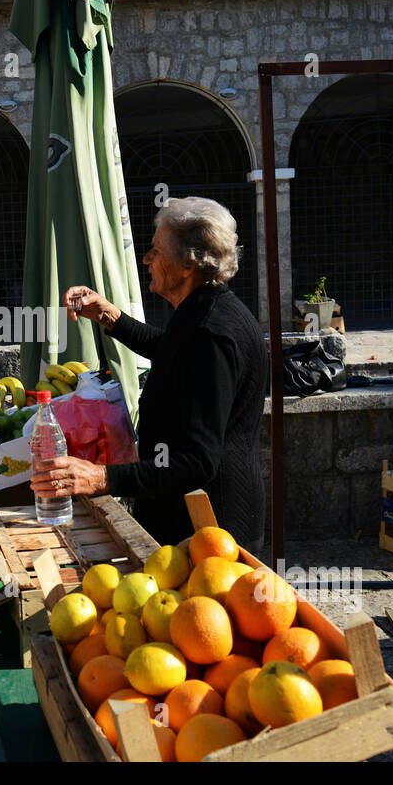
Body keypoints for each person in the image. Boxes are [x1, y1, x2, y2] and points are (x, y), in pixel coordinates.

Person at [28, 197, 268, 554]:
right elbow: (172, 350)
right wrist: (108, 315)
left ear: (188, 264)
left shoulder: (212, 334)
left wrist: (101, 477)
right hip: (196, 523)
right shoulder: (206, 310)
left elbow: (196, 463)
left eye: (156, 250)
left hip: (210, 533)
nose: (146, 259)